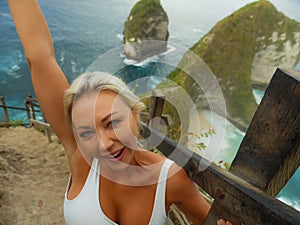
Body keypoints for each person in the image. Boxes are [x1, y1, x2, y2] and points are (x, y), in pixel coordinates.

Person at [8, 0, 233, 224]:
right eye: (86, 133)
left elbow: (207, 221)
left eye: (112, 123)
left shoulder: (170, 179)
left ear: (135, 114)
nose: (103, 144)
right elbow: (38, 57)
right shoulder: (81, 156)